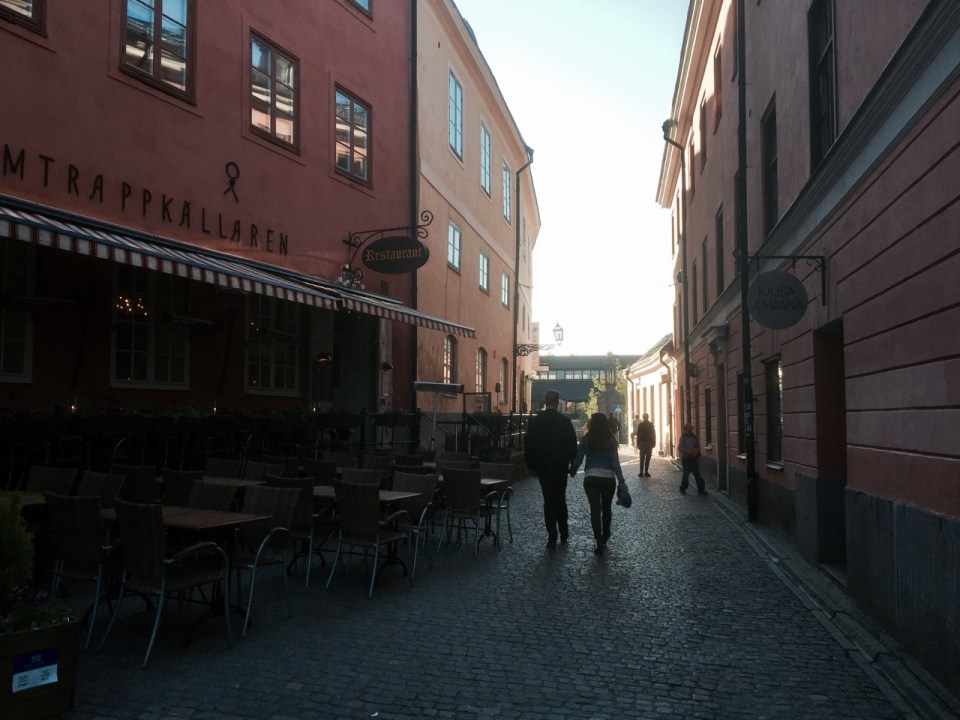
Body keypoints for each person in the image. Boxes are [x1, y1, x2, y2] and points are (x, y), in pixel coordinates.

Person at [524, 389, 578, 548]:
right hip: (560, 466)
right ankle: (564, 531)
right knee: (560, 498)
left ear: (545, 402)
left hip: (543, 467)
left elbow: (529, 444)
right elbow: (571, 445)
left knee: (548, 500)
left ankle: (552, 536)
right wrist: (573, 464)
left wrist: (531, 465)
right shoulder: (565, 421)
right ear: (558, 402)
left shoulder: (536, 421)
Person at [570, 412, 627, 555]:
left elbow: (579, 458)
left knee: (595, 510)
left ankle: (598, 540)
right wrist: (621, 480)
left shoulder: (586, 439)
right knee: (607, 508)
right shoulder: (611, 440)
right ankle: (606, 534)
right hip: (608, 479)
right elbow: (615, 462)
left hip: (591, 478)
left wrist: (573, 470)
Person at [678, 423, 707, 495]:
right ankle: (683, 488)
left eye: (690, 428)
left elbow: (697, 445)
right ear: (685, 430)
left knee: (697, 473)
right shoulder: (683, 438)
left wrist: (696, 450)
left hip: (694, 458)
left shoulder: (694, 437)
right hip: (686, 458)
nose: (690, 430)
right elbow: (680, 447)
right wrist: (688, 451)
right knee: (686, 474)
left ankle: (701, 489)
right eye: (688, 428)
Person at [636, 413, 656, 477]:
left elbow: (638, 435)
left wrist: (638, 443)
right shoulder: (650, 424)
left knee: (642, 458)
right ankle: (645, 472)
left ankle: (642, 472)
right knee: (647, 458)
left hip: (643, 443)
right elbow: (653, 434)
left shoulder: (641, 425)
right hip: (648, 443)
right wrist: (654, 442)